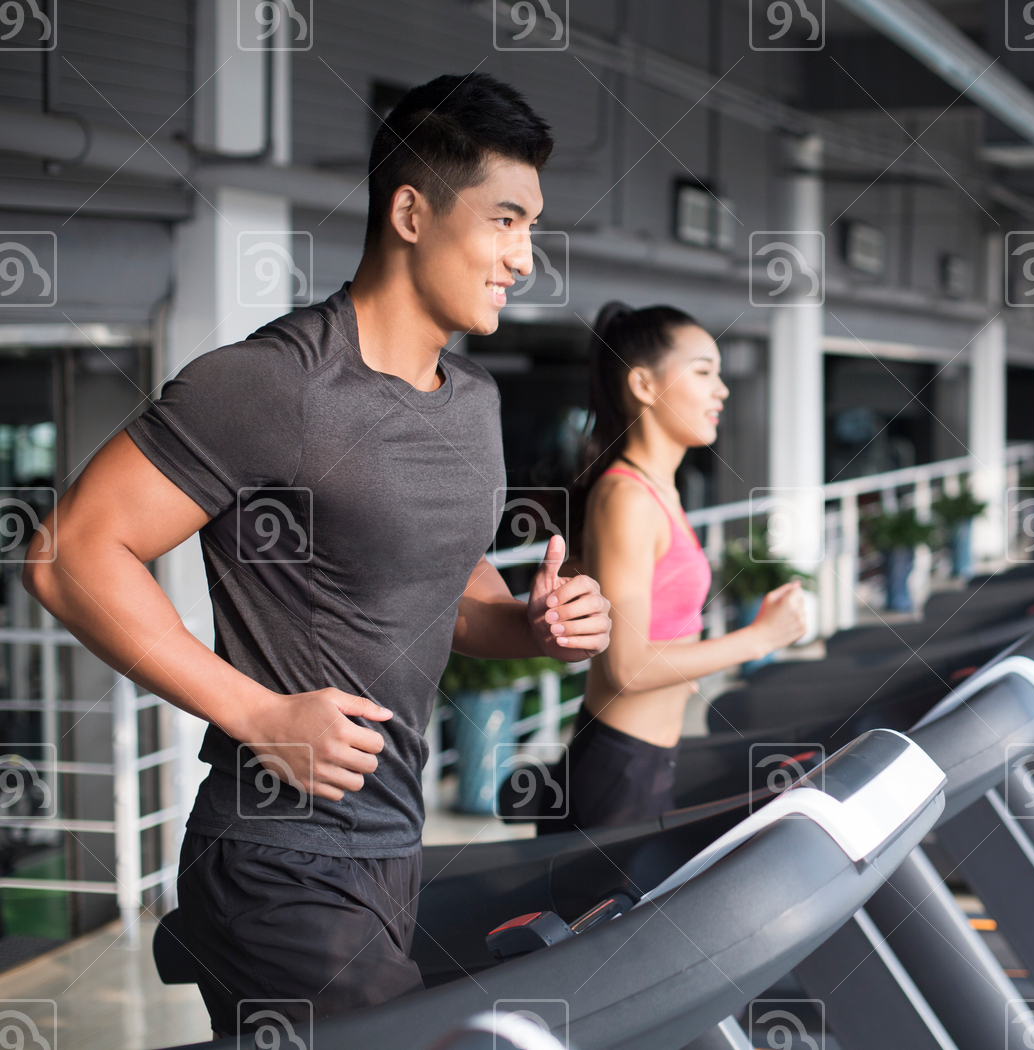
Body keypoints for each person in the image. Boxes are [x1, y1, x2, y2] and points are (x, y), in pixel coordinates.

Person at [22, 73, 611, 1035]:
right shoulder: (273, 385)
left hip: (389, 845)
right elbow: (69, 556)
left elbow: (447, 598)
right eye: (505, 221)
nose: (524, 258)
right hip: (273, 857)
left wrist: (536, 626)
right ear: (411, 212)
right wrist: (256, 711)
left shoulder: (472, 403)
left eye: (531, 228)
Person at [566, 302, 806, 829]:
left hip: (646, 759)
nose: (721, 390)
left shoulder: (659, 491)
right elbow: (626, 666)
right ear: (645, 386)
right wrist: (759, 638)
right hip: (618, 770)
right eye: (703, 373)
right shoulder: (626, 498)